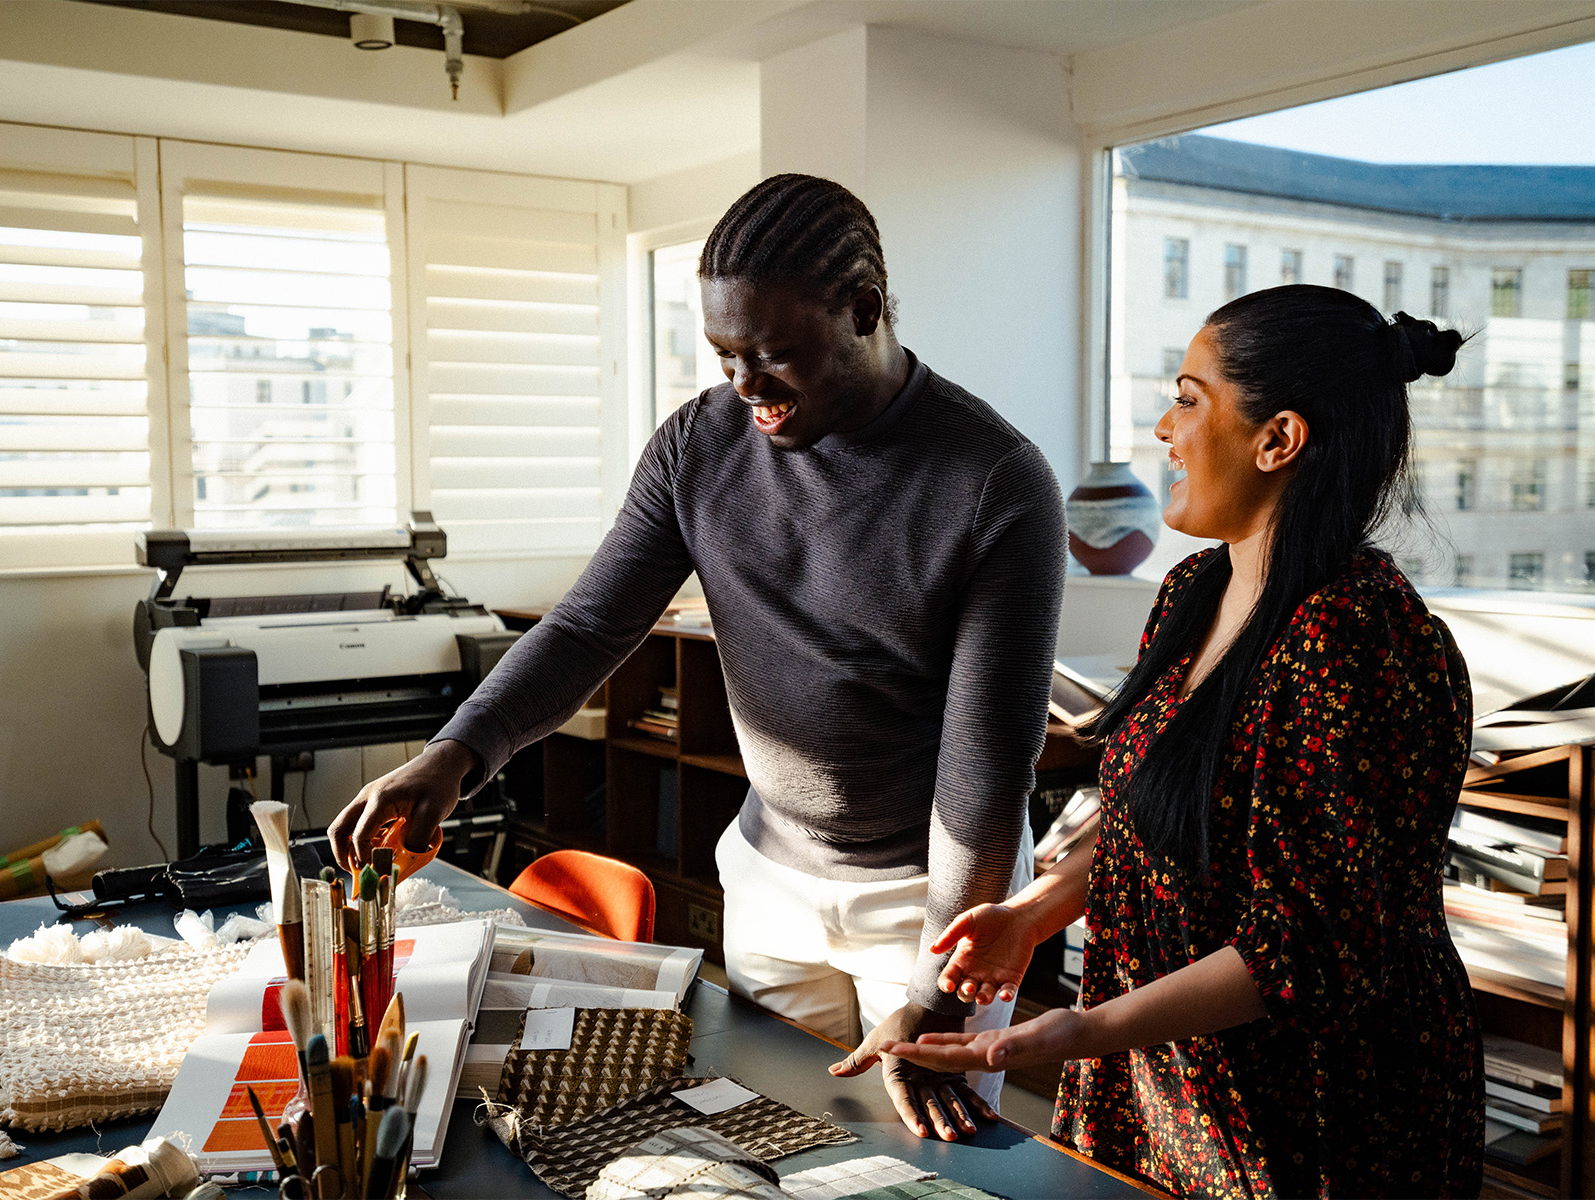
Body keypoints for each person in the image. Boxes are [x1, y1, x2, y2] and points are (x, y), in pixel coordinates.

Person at [329, 174, 1069, 1141]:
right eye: (725, 357)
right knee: (782, 1138)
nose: (746, 387)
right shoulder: (699, 445)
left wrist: (938, 979)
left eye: (774, 356)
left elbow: (984, 770)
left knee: (925, 1157)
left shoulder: (994, 484)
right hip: (771, 873)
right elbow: (593, 625)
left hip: (932, 898)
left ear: (865, 309)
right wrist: (458, 752)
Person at [861, 285, 1486, 1197]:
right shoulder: (1192, 589)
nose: (1164, 427)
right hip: (1161, 1066)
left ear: (1278, 440)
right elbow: (1156, 821)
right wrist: (1034, 914)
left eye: (1190, 399)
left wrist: (1087, 1029)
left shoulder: (1356, 637)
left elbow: (1313, 943)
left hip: (1311, 1104)